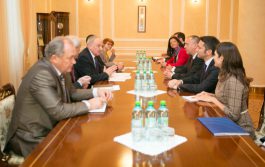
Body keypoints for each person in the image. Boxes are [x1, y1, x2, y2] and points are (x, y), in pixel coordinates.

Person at [4, 36, 113, 157]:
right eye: (70, 58)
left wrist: (96, 92)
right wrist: (89, 104)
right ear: (55, 58)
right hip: (32, 137)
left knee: (86, 145)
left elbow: (72, 92)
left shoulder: (61, 68)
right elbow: (58, 110)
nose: (74, 62)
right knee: (72, 155)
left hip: (52, 126)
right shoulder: (41, 74)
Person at [195, 42, 256, 139]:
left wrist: (213, 100)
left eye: (215, 55)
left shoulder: (233, 80)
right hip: (228, 123)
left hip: (241, 129)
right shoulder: (224, 74)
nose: (213, 57)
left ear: (222, 58)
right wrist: (210, 95)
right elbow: (225, 98)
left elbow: (233, 115)